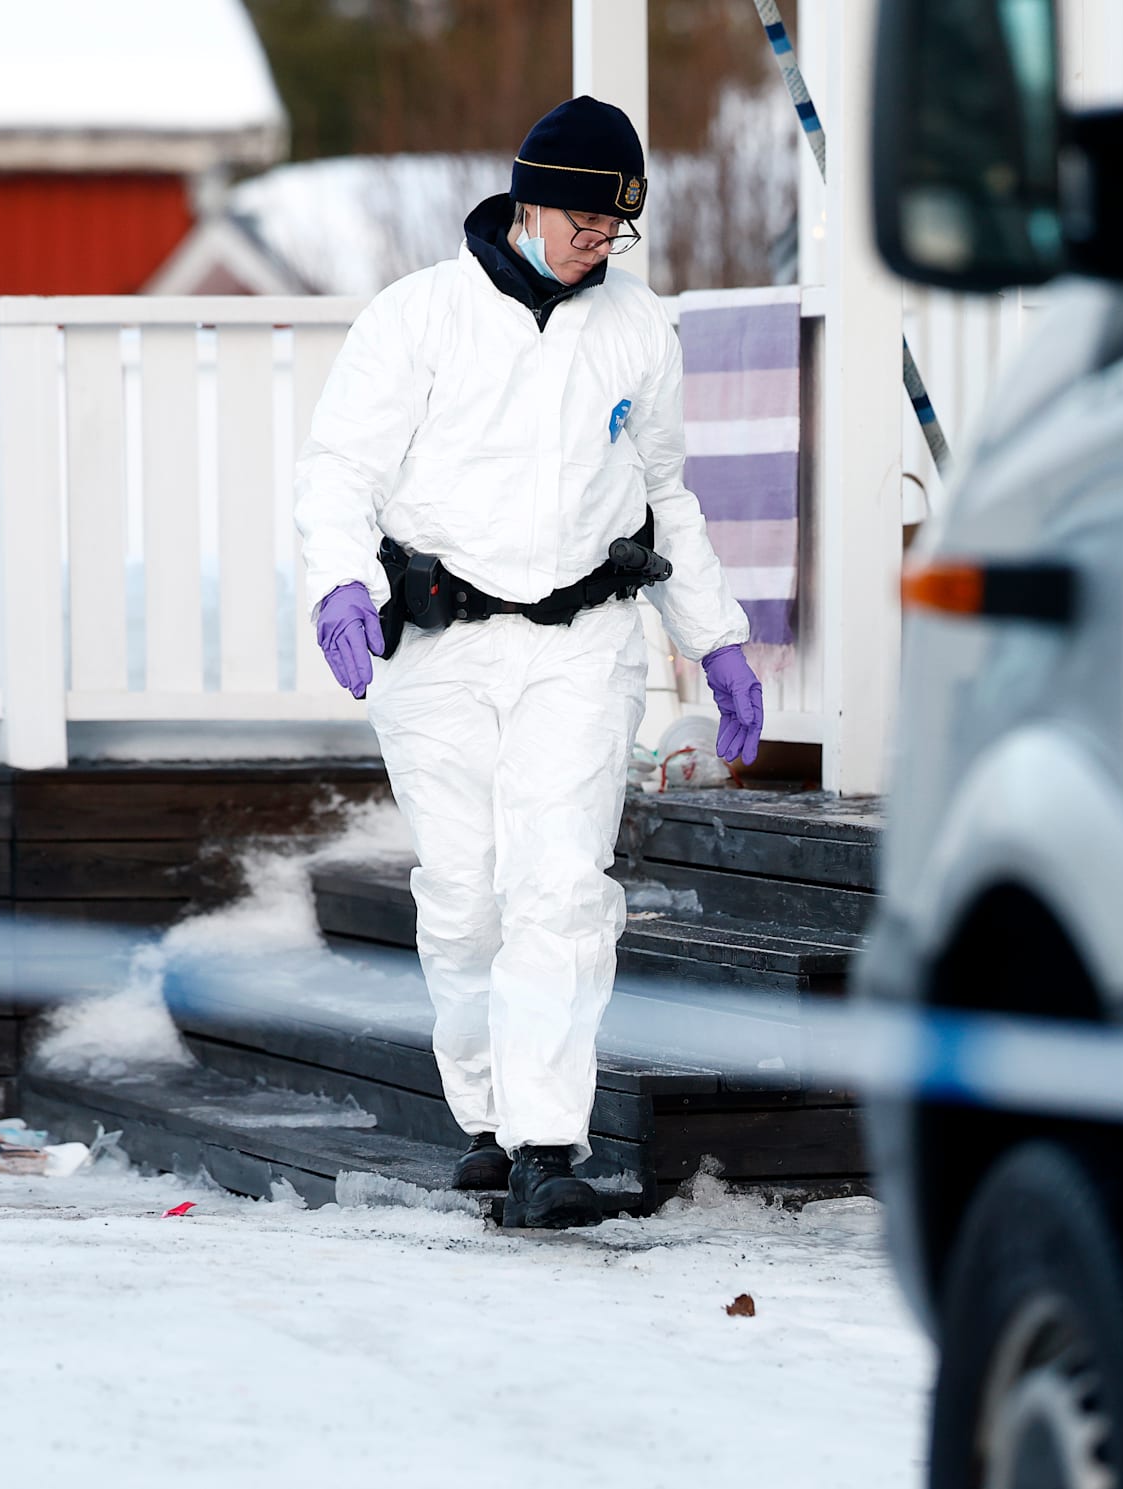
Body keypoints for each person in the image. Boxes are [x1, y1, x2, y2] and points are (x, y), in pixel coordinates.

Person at [295, 96, 762, 1229]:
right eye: (591, 227)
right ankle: (490, 1122)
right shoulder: (416, 321)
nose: (604, 248)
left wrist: (717, 635)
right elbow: (336, 473)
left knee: (559, 889)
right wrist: (338, 581)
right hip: (442, 649)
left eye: (619, 233)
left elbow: (664, 495)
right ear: (533, 204)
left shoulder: (636, 330)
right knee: (466, 900)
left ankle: (549, 1143)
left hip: (583, 645)